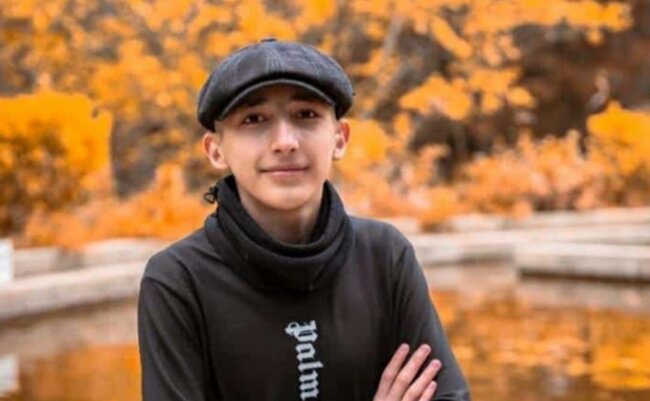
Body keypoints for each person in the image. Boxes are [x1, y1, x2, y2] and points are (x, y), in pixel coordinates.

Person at [137, 38, 471, 401]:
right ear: (216, 150)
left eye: (306, 115)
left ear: (340, 138)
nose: (285, 142)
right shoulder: (178, 281)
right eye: (253, 119)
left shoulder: (384, 256)